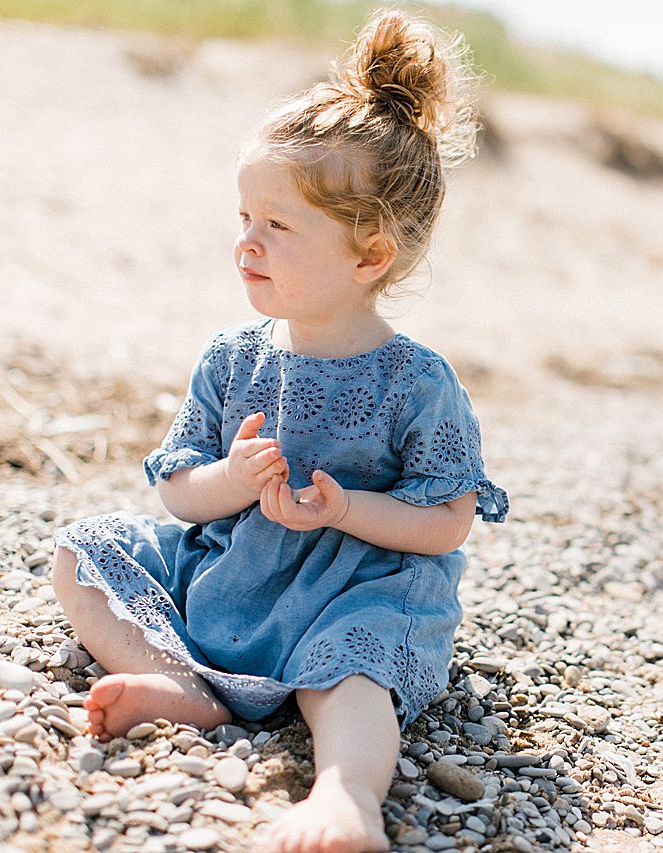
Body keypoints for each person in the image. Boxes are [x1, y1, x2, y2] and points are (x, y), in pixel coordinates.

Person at [50, 10, 506, 852]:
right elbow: (177, 489)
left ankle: (346, 794)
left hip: (356, 585)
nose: (244, 245)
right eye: (243, 218)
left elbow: (446, 519)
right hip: (236, 570)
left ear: (369, 256)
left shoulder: (417, 381)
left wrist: (345, 510)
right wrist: (228, 481)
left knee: (356, 663)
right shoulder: (232, 358)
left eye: (277, 227)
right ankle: (181, 683)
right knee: (83, 551)